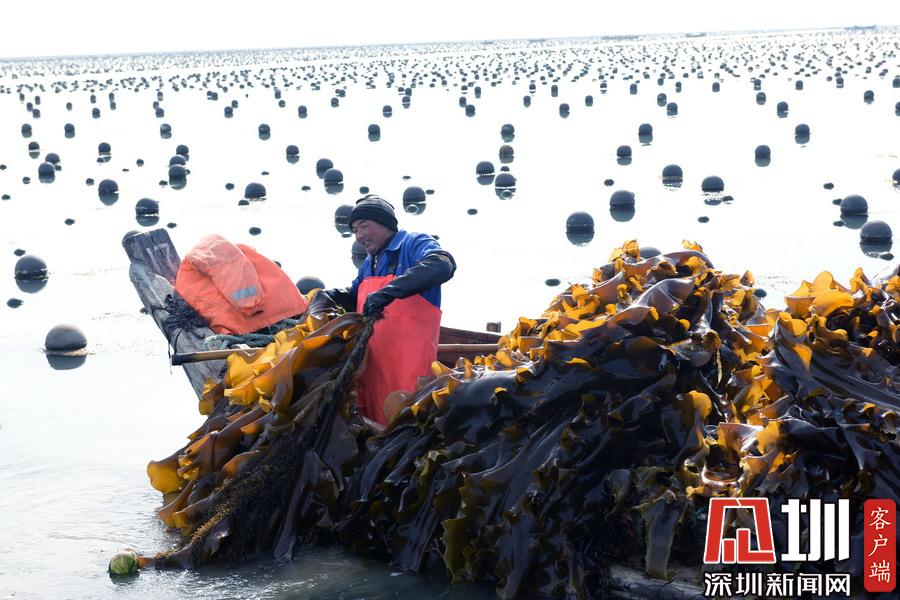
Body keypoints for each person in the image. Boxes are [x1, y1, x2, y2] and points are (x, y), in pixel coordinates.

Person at [309, 194, 456, 424]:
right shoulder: (370, 262)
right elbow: (355, 295)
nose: (359, 235)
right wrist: (328, 296)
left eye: (364, 226)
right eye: (354, 230)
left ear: (386, 224)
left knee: (406, 425)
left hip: (408, 372)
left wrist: (389, 291)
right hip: (372, 371)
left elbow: (442, 264)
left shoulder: (413, 243)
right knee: (370, 424)